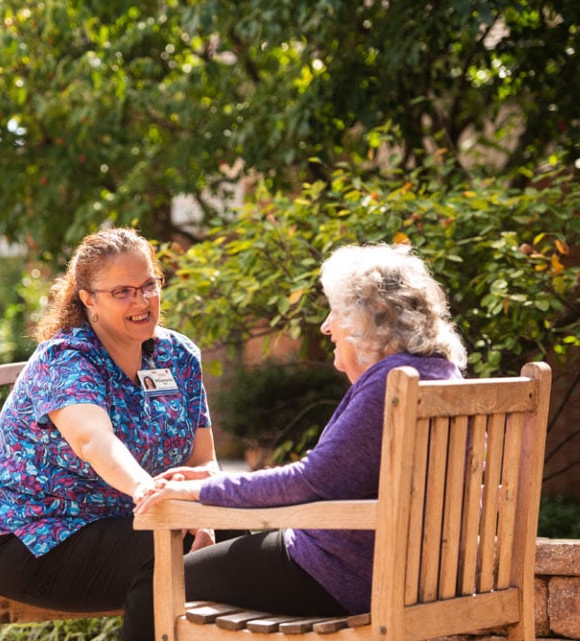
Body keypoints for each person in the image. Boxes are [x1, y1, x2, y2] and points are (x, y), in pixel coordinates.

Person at [135, 242, 468, 622]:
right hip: (420, 575)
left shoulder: (390, 386)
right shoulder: (443, 375)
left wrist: (196, 490)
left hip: (345, 575)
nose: (326, 326)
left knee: (154, 585)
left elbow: (310, 482)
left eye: (337, 313)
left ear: (369, 321)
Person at [0, 227, 220, 641]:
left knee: (237, 541)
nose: (141, 301)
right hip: (35, 539)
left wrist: (204, 510)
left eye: (148, 285)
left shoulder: (178, 356)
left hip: (132, 525)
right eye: (122, 292)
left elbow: (203, 461)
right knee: (165, 554)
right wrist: (149, 493)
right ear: (88, 298)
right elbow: (93, 441)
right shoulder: (67, 358)